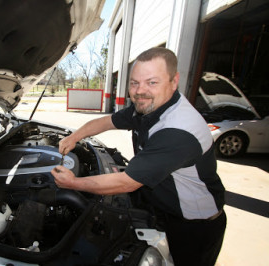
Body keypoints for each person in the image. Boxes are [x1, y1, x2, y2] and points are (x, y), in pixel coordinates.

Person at [51, 47, 226, 266]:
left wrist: (73, 183)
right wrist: (74, 136)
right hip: (163, 206)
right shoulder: (146, 107)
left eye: (152, 82)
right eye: (134, 83)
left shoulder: (179, 130)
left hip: (194, 225)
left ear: (174, 81)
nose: (140, 91)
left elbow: (127, 183)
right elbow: (107, 121)